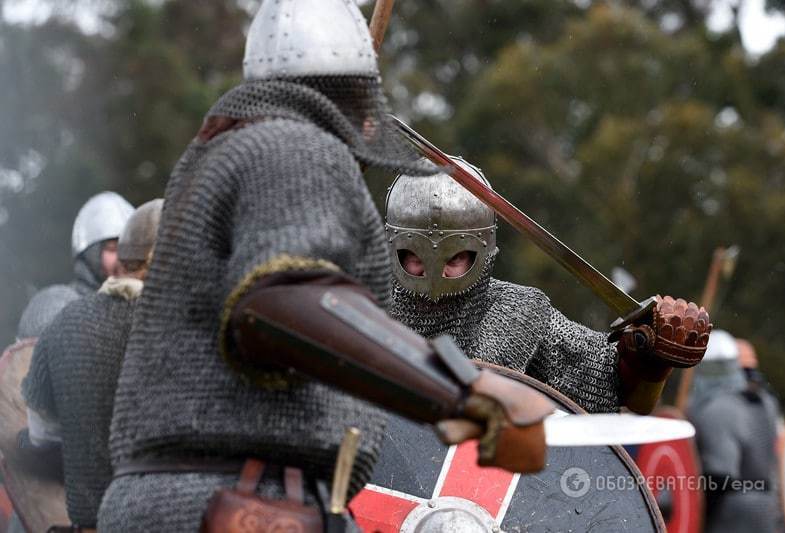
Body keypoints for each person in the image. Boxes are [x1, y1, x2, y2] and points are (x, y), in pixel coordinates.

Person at [98, 3, 552, 531]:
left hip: (186, 493)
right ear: (351, 92)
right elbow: (279, 300)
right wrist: (460, 392)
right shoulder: (291, 144)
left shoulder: (220, 154)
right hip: (235, 496)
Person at [385, 157, 710, 414]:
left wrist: (645, 360)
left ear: (482, 251)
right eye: (415, 256)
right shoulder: (360, 302)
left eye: (454, 258)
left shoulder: (519, 315)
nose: (434, 272)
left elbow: (607, 382)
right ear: (392, 246)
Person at [19, 199, 163, 530]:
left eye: (119, 248)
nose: (114, 259)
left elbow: (42, 434)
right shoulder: (58, 310)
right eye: (108, 248)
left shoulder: (69, 323)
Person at [688, 330, 782, 533]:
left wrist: (698, 515)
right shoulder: (765, 402)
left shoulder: (716, 409)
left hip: (732, 516)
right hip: (769, 509)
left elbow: (720, 475)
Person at [16, 191, 134, 340]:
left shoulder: (149, 306)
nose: (124, 258)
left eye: (131, 248)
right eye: (113, 249)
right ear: (91, 255)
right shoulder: (57, 303)